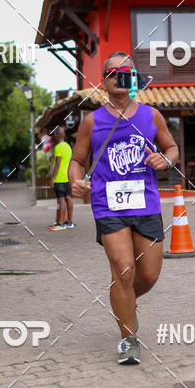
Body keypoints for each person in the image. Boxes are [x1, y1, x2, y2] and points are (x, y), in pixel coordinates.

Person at [69, 52, 179, 365]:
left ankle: (124, 301)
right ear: (103, 81)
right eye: (112, 72)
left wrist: (166, 159)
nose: (119, 76)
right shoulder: (92, 121)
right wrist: (76, 182)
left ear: (134, 78)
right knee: (124, 271)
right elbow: (77, 161)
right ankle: (128, 339)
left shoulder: (151, 115)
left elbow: (172, 147)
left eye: (126, 71)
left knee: (149, 274)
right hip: (109, 205)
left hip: (146, 203)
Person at [49, 126, 74, 230]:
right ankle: (69, 222)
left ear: (56, 135)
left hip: (59, 178)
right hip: (67, 177)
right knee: (68, 198)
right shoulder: (68, 147)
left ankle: (60, 223)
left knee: (61, 200)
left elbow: (57, 163)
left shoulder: (58, 147)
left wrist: (52, 177)